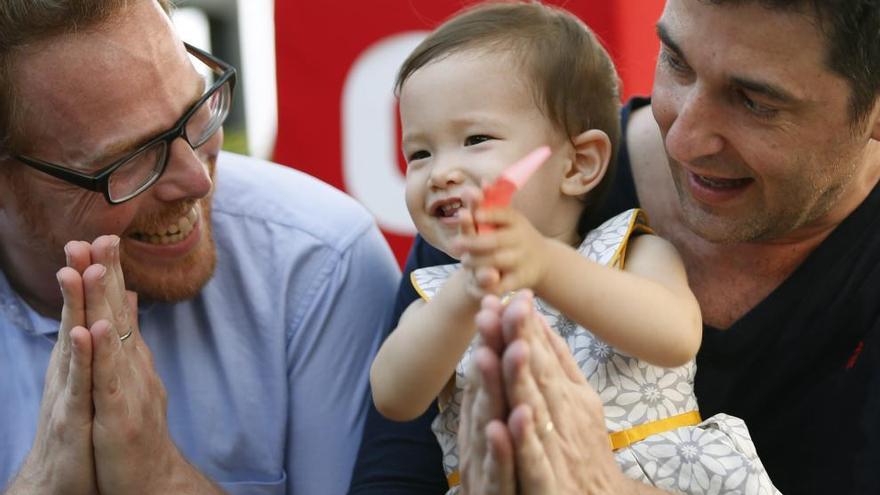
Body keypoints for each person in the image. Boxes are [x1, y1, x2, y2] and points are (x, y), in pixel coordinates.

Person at [349, 0, 880, 493]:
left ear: (579, 163)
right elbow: (394, 409)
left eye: (755, 101)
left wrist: (544, 263)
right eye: (676, 62)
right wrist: (465, 291)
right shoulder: (460, 257)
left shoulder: (621, 246)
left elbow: (673, 336)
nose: (682, 139)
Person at [0, 1, 399, 494]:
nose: (197, 180)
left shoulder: (316, 263)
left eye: (196, 110)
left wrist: (163, 480)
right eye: (130, 158)